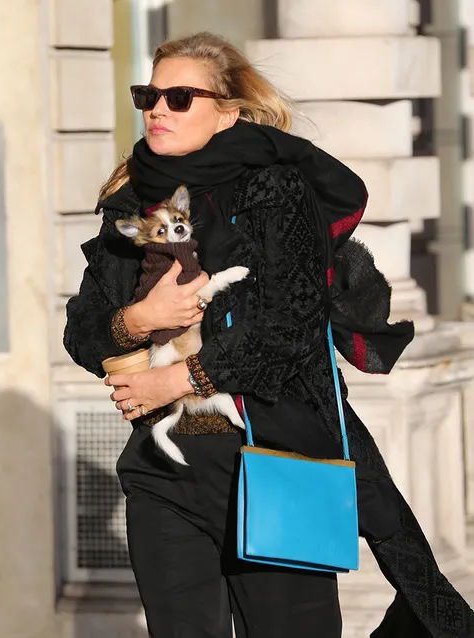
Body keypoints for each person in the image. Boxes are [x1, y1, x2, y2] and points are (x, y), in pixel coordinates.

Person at [64, 32, 474, 638]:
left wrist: (175, 379)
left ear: (227, 112)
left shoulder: (275, 188)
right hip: (164, 469)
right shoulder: (130, 204)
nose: (157, 109)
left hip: (277, 460)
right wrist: (140, 320)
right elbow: (81, 332)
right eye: (147, 95)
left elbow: (289, 325)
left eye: (180, 97)